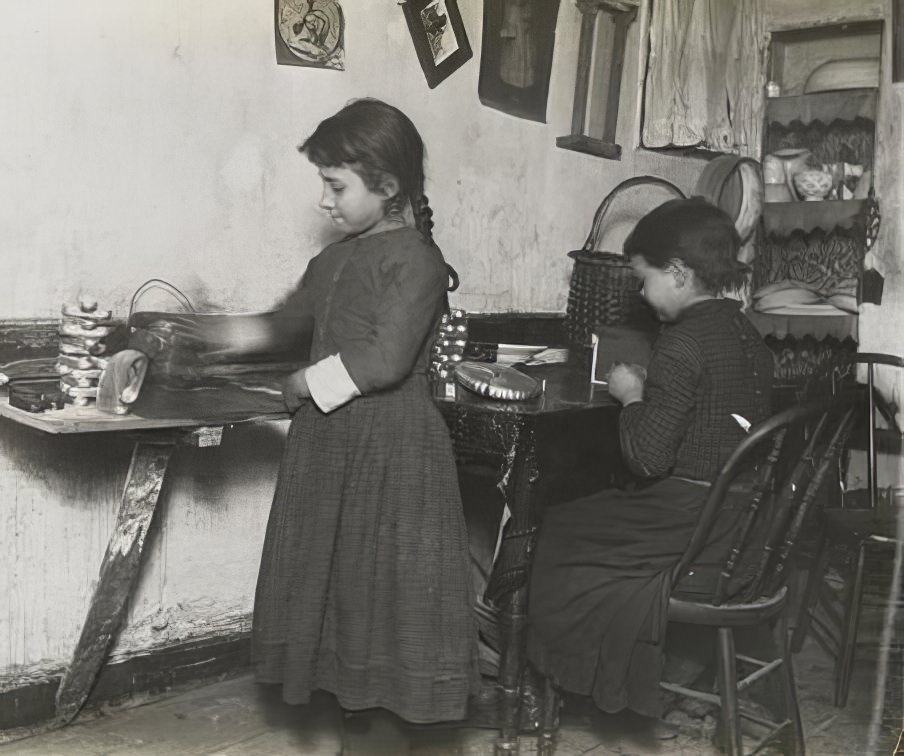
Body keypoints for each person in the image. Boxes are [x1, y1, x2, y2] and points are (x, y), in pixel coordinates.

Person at [207, 98, 480, 724]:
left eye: (336, 186)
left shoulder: (417, 260)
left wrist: (302, 383)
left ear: (386, 187)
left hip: (394, 452)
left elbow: (384, 360)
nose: (325, 202)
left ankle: (381, 730)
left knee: (383, 608)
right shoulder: (330, 261)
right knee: (339, 596)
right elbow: (286, 325)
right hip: (330, 451)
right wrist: (221, 334)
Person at [526, 197, 774, 721]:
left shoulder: (682, 344)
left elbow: (646, 459)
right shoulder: (750, 336)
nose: (640, 292)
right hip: (741, 522)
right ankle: (645, 670)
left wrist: (632, 394)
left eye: (644, 279)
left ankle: (565, 684)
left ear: (679, 274)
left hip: (689, 522)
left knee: (560, 522)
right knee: (594, 509)